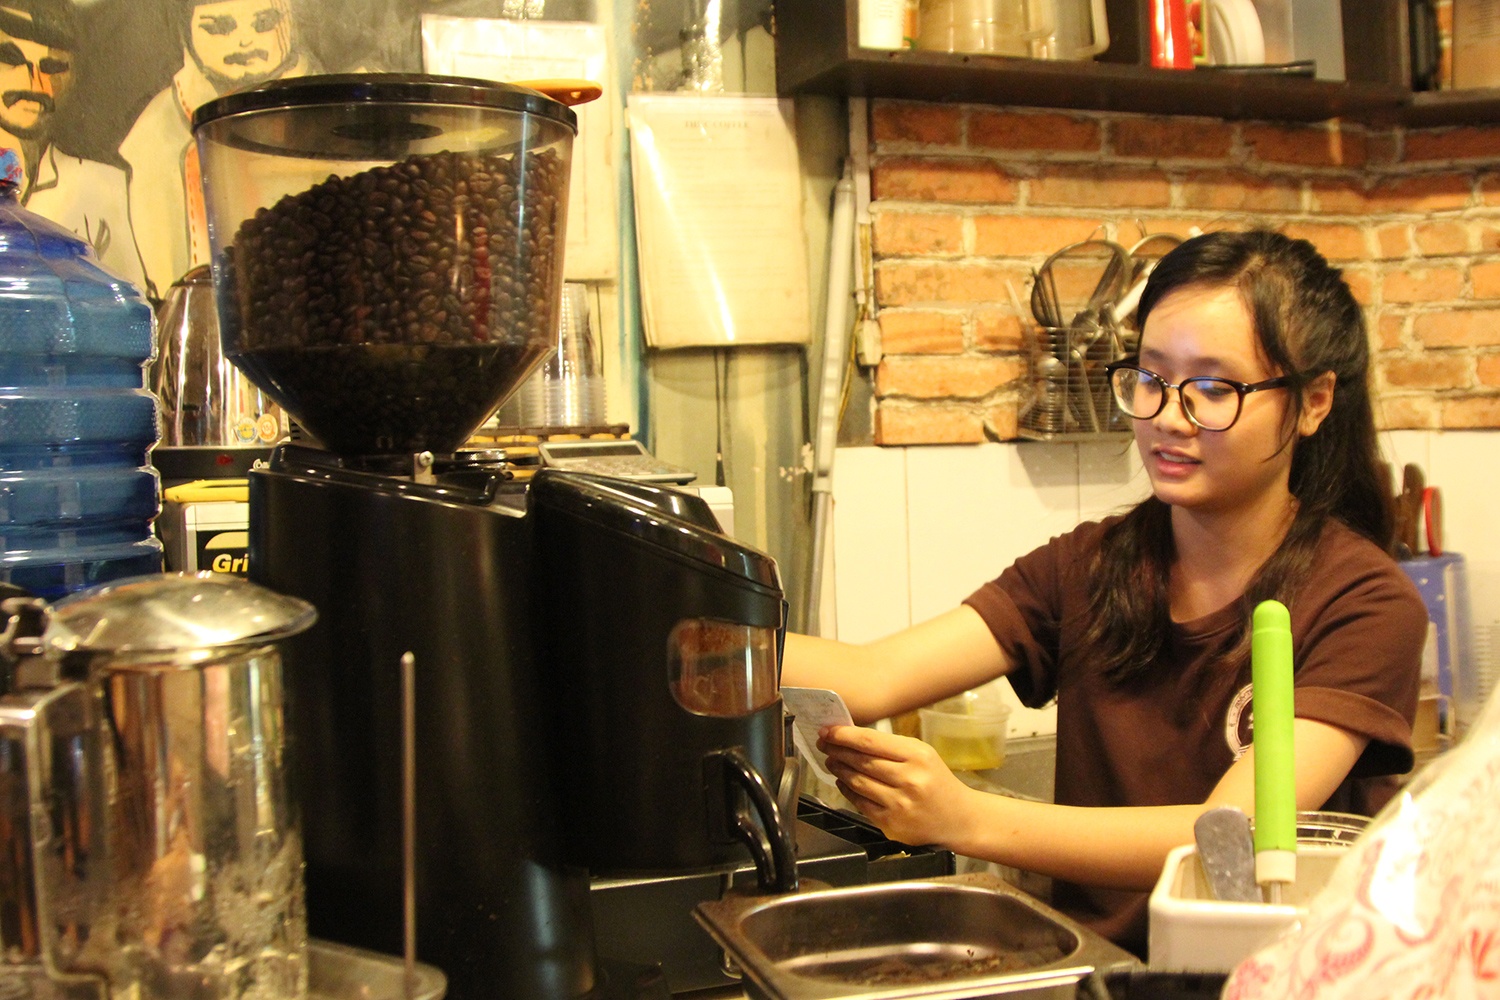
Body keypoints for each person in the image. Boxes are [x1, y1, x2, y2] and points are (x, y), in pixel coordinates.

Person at [782, 228, 1427, 957]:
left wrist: (965, 817)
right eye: (1150, 378)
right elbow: (874, 676)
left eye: (1214, 389)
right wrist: (703, 636)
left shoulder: (1363, 603)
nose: (1168, 418)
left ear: (1313, 403)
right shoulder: (1090, 566)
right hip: (1097, 974)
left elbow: (1231, 836)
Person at [117, 0, 311, 299]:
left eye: (264, 23)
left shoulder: (326, 113)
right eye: (220, 28)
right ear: (186, 32)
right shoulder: (156, 129)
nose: (245, 41)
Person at [1, 0, 146, 286]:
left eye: (51, 68)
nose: (36, 84)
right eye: (12, 60)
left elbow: (129, 297)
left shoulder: (100, 185)